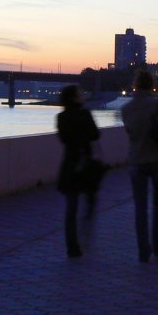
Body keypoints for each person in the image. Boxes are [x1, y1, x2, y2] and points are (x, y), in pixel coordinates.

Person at [121, 70, 158, 263]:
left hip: (137, 161)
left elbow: (130, 133)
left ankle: (143, 250)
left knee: (140, 208)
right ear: (152, 84)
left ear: (135, 84)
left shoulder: (126, 109)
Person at [56, 84, 100, 259]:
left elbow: (64, 139)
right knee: (90, 200)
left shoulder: (61, 117)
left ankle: (72, 247)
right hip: (86, 164)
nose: (83, 95)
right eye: (80, 93)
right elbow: (95, 135)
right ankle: (86, 233)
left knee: (71, 209)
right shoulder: (85, 114)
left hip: (69, 165)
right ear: (74, 98)